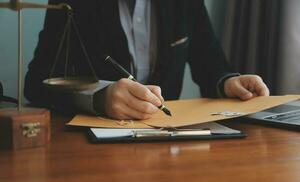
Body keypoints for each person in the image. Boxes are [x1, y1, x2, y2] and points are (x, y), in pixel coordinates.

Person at [24, 0, 269, 120]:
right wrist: (98, 97)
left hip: (168, 143)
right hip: (95, 151)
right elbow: (36, 83)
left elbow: (209, 59)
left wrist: (227, 82)